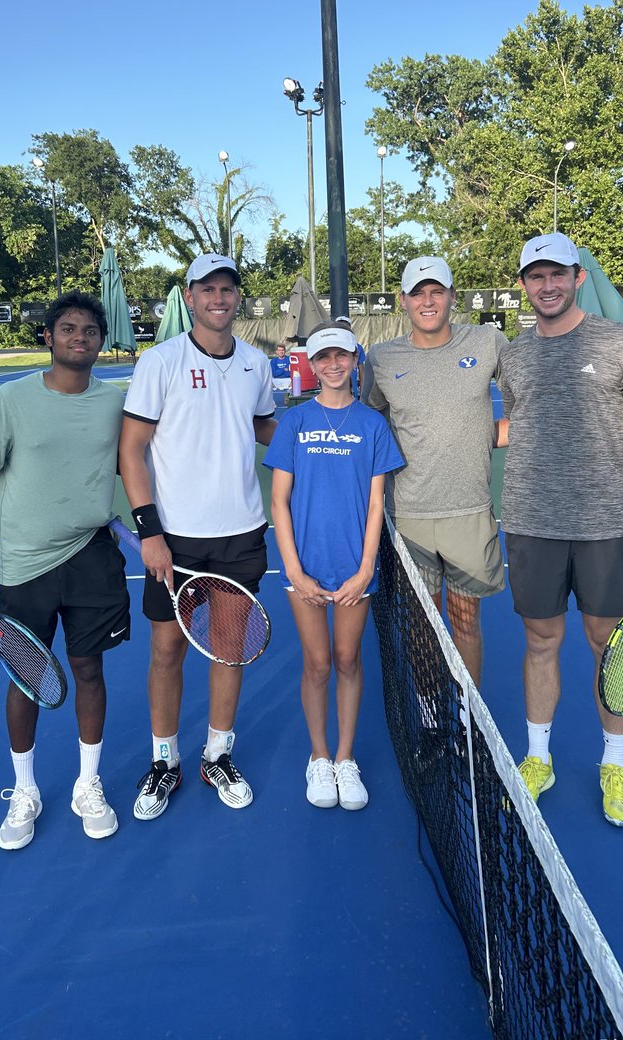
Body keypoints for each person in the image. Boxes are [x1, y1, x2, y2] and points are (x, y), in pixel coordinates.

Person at [498, 232, 623, 828]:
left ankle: (613, 761)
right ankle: (537, 758)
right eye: (535, 276)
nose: (547, 286)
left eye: (558, 275)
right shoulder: (513, 354)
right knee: (540, 642)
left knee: (609, 645)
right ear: (524, 285)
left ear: (578, 278)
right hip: (530, 523)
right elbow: (514, 427)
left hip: (604, 524)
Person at [0, 291, 129, 850]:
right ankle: (24, 790)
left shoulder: (114, 403)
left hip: (93, 556)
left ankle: (87, 784)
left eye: (90, 330)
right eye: (68, 329)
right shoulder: (11, 398)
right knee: (26, 678)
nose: (80, 337)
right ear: (49, 337)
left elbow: (139, 467)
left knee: (88, 670)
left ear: (102, 340)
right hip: (25, 564)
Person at [118, 253, 277, 819]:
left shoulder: (256, 365)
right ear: (189, 297)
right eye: (206, 289)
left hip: (241, 536)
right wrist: (150, 533)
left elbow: (263, 427)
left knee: (228, 650)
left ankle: (217, 755)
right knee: (166, 651)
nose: (218, 298)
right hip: (175, 540)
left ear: (238, 298)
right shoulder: (159, 362)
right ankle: (165, 761)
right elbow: (131, 449)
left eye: (227, 289)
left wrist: (323, 448)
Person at [264, 324, 404, 810]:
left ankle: (345, 759)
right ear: (312, 364)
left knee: (347, 660)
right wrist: (295, 571)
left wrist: (366, 569)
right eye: (323, 357)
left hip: (354, 571)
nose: (332, 365)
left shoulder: (373, 426)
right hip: (302, 569)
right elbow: (279, 502)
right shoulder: (295, 422)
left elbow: (375, 507)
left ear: (354, 361)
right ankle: (318, 757)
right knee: (318, 663)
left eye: (341, 356)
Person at [361, 256, 508, 689]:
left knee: (465, 620)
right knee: (423, 624)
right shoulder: (382, 358)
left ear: (452, 297)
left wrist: (490, 434)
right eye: (418, 293)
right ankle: (427, 710)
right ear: (403, 301)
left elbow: (531, 397)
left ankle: (467, 716)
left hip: (470, 511)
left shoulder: (488, 342)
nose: (428, 301)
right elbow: (372, 425)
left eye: (436, 291)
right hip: (408, 516)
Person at [334, 315, 366, 398]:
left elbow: (362, 372)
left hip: (352, 394)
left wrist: (362, 395)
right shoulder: (331, 348)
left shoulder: (358, 347)